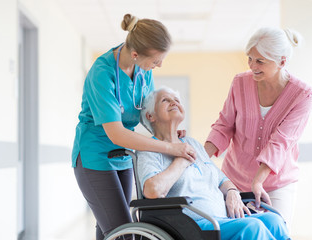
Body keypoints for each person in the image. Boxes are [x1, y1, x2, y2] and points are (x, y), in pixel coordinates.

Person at [72, 14, 196, 240]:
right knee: (124, 233)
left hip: (124, 156)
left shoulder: (143, 70)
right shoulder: (102, 73)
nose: (158, 66)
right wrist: (170, 148)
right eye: (156, 61)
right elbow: (116, 133)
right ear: (136, 54)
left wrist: (166, 134)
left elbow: (147, 113)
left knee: (110, 229)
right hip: (95, 156)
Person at [137, 87, 290, 240]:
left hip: (223, 219)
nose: (174, 103)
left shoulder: (192, 143)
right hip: (192, 225)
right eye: (165, 100)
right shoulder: (149, 150)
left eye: (176, 100)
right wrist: (182, 160)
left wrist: (232, 192)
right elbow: (152, 191)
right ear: (150, 116)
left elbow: (221, 179)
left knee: (274, 221)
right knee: (252, 228)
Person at [204, 27, 312, 231]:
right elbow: (224, 125)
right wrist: (200, 158)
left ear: (282, 61)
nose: (252, 66)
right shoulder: (240, 82)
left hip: (276, 184)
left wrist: (258, 181)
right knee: (237, 233)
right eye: (250, 58)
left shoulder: (302, 94)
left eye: (260, 61)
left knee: (276, 231)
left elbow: (281, 141)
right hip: (233, 180)